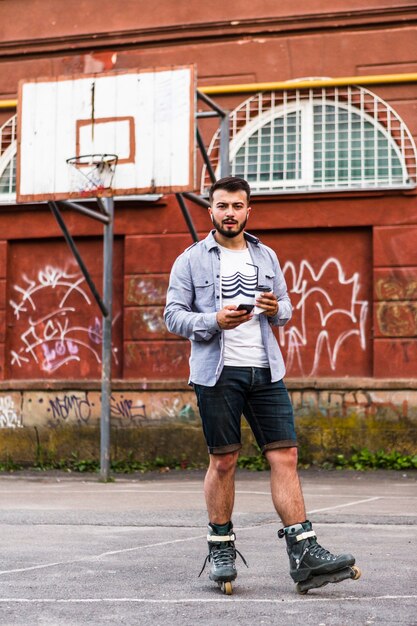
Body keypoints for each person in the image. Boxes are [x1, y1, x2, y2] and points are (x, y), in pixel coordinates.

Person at [164, 176, 356, 592]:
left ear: (248, 210)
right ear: (210, 211)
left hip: (266, 369)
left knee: (285, 455)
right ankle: (220, 547)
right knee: (224, 460)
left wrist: (274, 308)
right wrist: (212, 320)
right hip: (218, 372)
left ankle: (304, 552)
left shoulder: (266, 255)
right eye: (222, 206)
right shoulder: (192, 260)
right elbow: (173, 315)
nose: (229, 212)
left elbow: (285, 308)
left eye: (237, 206)